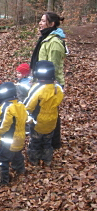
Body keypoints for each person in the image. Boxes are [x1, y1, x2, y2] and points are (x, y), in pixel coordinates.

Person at [30, 12, 67, 150]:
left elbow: (54, 67)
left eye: (43, 21)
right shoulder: (45, 38)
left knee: (50, 113)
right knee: (41, 113)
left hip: (51, 84)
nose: (40, 23)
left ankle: (52, 143)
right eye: (40, 20)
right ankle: (41, 141)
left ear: (51, 24)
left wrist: (51, 86)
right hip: (42, 82)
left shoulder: (55, 42)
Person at [24, 61, 64, 166]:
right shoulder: (57, 88)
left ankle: (34, 160)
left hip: (38, 121)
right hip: (52, 120)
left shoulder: (38, 88)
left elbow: (28, 105)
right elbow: (59, 99)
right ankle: (47, 160)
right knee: (47, 142)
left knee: (35, 142)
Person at [0, 82, 28, 185]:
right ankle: (20, 171)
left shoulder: (6, 107)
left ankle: (2, 180)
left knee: (1, 158)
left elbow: (5, 123)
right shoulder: (20, 105)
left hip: (8, 139)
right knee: (17, 154)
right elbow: (26, 118)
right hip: (20, 137)